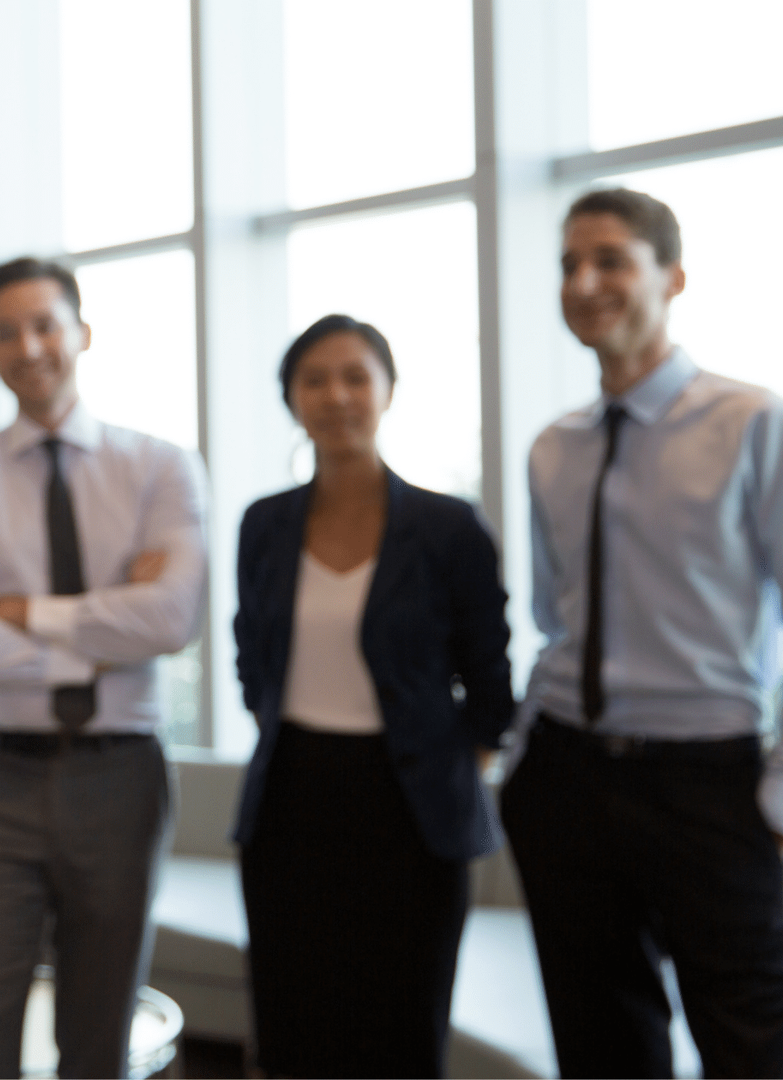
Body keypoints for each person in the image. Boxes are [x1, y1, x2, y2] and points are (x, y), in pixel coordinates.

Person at [502, 188, 783, 1079]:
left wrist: (781, 804)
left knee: (742, 1053)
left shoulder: (755, 423)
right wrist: (522, 766)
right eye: (568, 264)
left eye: (611, 259)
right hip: (567, 779)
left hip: (712, 789)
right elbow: (556, 624)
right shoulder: (553, 447)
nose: (585, 281)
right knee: (600, 1053)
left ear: (673, 276)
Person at [0, 257, 207, 1079]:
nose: (28, 345)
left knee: (98, 1035)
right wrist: (112, 618)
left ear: (82, 332)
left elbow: (173, 619)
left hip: (122, 777)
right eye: (5, 331)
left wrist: (27, 614)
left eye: (44, 324)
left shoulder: (159, 467)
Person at [231, 314, 514, 1077]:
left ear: (388, 390)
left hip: (412, 807)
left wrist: (456, 767)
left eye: (356, 376)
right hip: (291, 798)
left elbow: (492, 680)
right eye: (315, 379)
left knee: (401, 1026)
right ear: (291, 398)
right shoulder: (264, 524)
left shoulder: (449, 527)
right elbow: (250, 655)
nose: (337, 395)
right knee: (294, 1027)